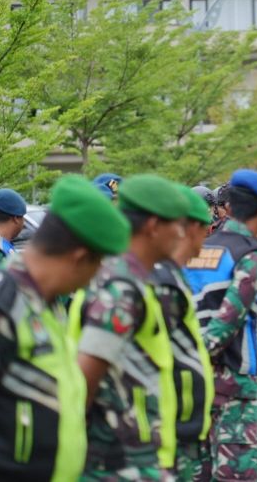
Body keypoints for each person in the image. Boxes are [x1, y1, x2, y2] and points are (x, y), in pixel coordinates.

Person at [0, 175, 129, 481]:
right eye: (96, 268)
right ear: (79, 257)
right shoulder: (6, 305)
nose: (92, 281)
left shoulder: (47, 302)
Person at [69, 174, 190, 481]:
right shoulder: (121, 288)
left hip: (138, 454)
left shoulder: (136, 278)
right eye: (177, 225)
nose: (182, 234)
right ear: (153, 226)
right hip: (115, 461)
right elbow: (81, 384)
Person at [184, 169, 257, 481]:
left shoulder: (199, 248)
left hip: (189, 381)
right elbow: (229, 320)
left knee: (198, 470)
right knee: (236, 472)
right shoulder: (251, 255)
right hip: (232, 382)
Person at [152, 185, 215, 482]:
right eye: (205, 228)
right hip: (161, 432)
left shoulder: (171, 276)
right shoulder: (158, 282)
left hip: (185, 426)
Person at [0, 188, 27, 262]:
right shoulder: (1, 252)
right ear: (16, 218)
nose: (24, 222)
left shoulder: (5, 246)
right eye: (23, 217)